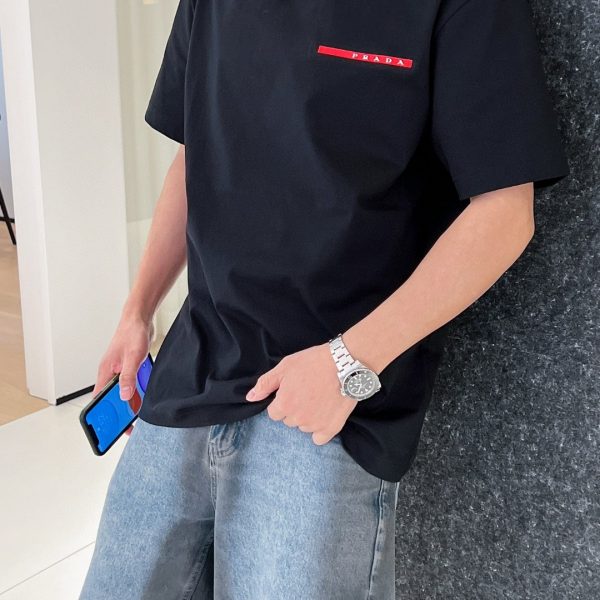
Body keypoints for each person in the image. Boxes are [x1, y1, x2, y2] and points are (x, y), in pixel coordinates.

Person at [79, 0, 569, 598]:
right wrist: (137, 310)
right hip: (191, 372)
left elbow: (505, 213)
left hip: (325, 412)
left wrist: (347, 363)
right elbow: (194, 154)